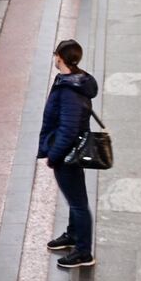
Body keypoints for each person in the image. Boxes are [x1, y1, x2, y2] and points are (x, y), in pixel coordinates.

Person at [40, 39, 100, 269]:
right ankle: (73, 235)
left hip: (68, 153)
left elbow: (68, 129)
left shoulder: (69, 91)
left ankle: (84, 252)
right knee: (75, 199)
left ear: (60, 58)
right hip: (70, 149)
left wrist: (53, 155)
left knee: (78, 203)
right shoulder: (76, 79)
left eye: (56, 54)